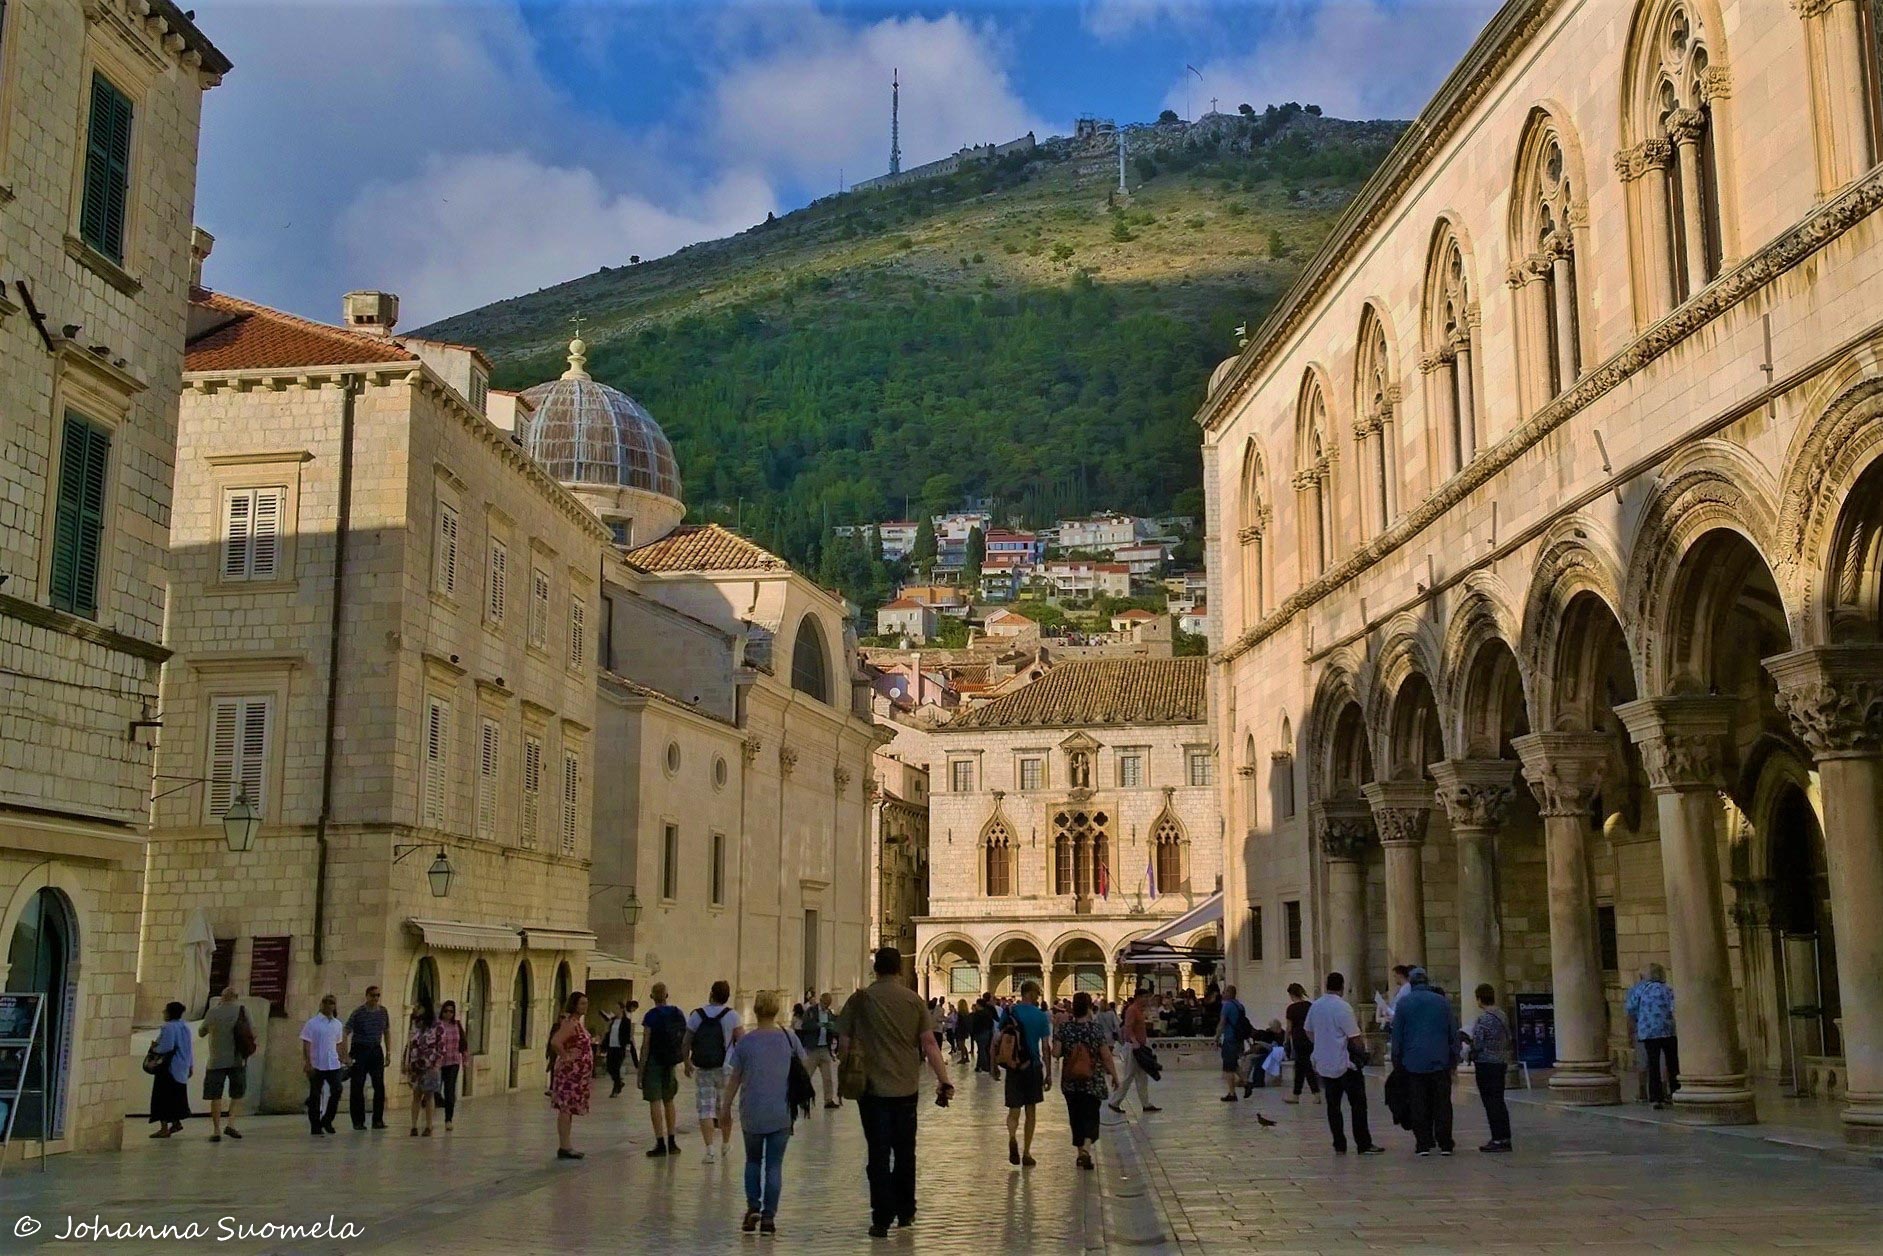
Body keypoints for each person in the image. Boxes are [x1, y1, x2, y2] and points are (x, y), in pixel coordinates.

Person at [835, 946, 954, 1239]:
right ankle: (906, 1210)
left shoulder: (860, 999)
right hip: (905, 1087)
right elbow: (929, 1043)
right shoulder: (913, 1001)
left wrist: (851, 1062)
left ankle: (881, 1217)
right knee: (905, 1151)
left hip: (872, 1089)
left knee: (877, 1153)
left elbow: (844, 1042)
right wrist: (944, 1079)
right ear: (899, 969)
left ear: (876, 969)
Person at [721, 989, 809, 1235]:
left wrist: (725, 1106)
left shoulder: (746, 1041)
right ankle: (769, 1217)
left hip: (752, 1110)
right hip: (780, 1110)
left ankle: (752, 1208)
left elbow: (734, 1079)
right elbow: (803, 1067)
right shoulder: (789, 1038)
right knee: (774, 1165)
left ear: (757, 1010)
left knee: (752, 1160)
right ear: (777, 1009)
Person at [1305, 972, 1382, 1155]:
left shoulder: (1316, 1006)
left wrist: (1322, 1044)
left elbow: (1308, 1031)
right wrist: (1362, 1054)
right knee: (1358, 1105)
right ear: (1341, 986)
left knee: (1333, 1106)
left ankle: (1339, 1143)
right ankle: (1363, 1143)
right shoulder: (1342, 1007)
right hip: (1346, 1064)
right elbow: (1354, 1036)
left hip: (1325, 1063)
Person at [1388, 966, 1459, 1156]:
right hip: (1440, 1061)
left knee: (1419, 1103)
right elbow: (1453, 1032)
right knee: (1442, 1103)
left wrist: (1397, 1061)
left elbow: (1398, 1036)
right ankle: (1445, 1143)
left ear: (1411, 983)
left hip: (1413, 1062)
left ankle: (1423, 1143)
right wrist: (1454, 1060)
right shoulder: (1442, 1002)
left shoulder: (1404, 1003)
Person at [1049, 991, 1118, 1170]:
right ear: (1088, 1008)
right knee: (1091, 1115)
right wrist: (1115, 1076)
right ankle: (1086, 1149)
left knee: (1076, 1116)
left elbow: (1055, 1053)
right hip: (1092, 1080)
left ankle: (1081, 1153)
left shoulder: (1065, 1029)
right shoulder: (1094, 1029)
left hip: (1070, 1081)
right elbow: (1106, 1055)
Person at [683, 979, 744, 1163]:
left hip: (703, 1068)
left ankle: (709, 1150)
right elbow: (742, 1043)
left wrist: (686, 1062)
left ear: (711, 993)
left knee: (705, 1109)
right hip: (726, 1068)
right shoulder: (733, 1016)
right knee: (724, 1108)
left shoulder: (697, 1015)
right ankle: (725, 1144)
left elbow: (686, 1041)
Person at [1002, 980, 1052, 1167]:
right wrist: (1048, 1074)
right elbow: (1046, 1047)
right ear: (1030, 994)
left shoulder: (1009, 1013)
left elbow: (999, 1040)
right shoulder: (1040, 1016)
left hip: (1014, 1067)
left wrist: (993, 1066)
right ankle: (1026, 1152)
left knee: (1014, 1109)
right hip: (1032, 1067)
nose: (1038, 997)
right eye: (1037, 994)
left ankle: (1012, 1136)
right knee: (1031, 1111)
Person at [638, 982, 686, 1156]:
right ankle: (672, 1141)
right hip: (671, 1061)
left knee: (655, 1101)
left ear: (652, 996)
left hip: (654, 1061)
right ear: (667, 995)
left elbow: (646, 1045)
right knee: (669, 1100)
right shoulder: (677, 1013)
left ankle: (660, 1143)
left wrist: (640, 1071)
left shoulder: (651, 1016)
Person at [197, 987, 251, 1142]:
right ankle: (231, 1123)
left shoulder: (213, 1012)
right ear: (236, 997)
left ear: (222, 997)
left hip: (216, 1060)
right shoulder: (243, 1011)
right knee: (237, 1093)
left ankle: (216, 1129)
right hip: (237, 1059)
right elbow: (252, 1032)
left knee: (215, 1095)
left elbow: (201, 1032)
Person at [1625, 963, 1680, 1109]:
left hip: (1648, 1031)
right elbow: (1674, 1007)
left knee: (1653, 1064)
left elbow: (1631, 1009)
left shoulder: (1641, 989)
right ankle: (1675, 1092)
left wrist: (1639, 1022)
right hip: (1668, 1030)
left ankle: (1655, 1098)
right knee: (1672, 1063)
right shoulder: (1667, 989)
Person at [1467, 983, 1514, 1152]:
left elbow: (1478, 1043)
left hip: (1486, 1063)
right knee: (1499, 1101)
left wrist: (1468, 1044)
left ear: (1479, 998)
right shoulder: (1501, 1015)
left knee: (1491, 1102)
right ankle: (1504, 1137)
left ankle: (1497, 1138)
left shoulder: (1484, 1018)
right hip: (1500, 1061)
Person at [550, 990, 593, 1160]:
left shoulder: (578, 1023)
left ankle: (567, 1144)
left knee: (569, 1109)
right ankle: (564, 1146)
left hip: (577, 1076)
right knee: (565, 1108)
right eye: (582, 1003)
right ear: (574, 1005)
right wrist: (566, 1056)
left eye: (586, 1003)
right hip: (569, 1075)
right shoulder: (570, 1023)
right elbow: (556, 1041)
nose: (585, 1006)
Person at [342, 984, 391, 1131]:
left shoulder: (383, 1012)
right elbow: (346, 1031)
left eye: (378, 995)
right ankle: (358, 1121)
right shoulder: (358, 1013)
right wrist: (345, 1055)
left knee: (379, 1086)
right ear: (367, 996)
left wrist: (388, 1052)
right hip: (360, 1049)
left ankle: (378, 1120)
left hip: (375, 1049)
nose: (376, 998)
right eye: (373, 995)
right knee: (357, 1086)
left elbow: (387, 1031)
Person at [1105, 985, 1159, 1115]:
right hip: (1133, 1048)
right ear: (1138, 997)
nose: (1147, 999)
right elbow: (1128, 1027)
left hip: (1139, 1047)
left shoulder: (1139, 1010)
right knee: (1129, 1076)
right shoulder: (1132, 1010)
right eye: (1145, 997)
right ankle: (1114, 1102)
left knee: (1142, 1077)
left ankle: (1146, 1104)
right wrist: (1134, 1041)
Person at [301, 993, 346, 1137]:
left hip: (332, 1063)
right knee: (315, 1095)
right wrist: (308, 1062)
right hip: (317, 1063)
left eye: (332, 1003)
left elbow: (339, 1043)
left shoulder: (337, 1024)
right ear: (322, 1004)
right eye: (327, 1002)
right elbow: (306, 1043)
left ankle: (327, 1119)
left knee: (337, 1089)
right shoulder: (312, 1023)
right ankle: (315, 1125)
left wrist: (343, 1058)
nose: (329, 1005)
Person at [147, 1000, 193, 1138]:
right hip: (182, 1066)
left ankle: (164, 1128)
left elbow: (167, 1046)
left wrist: (155, 1048)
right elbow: (189, 1048)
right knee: (176, 1097)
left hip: (169, 1068)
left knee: (163, 1098)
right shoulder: (185, 1027)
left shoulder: (168, 1027)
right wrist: (191, 1065)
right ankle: (176, 1122)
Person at [404, 997, 445, 1137]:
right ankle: (413, 1126)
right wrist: (407, 1062)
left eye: (418, 1006)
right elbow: (409, 1044)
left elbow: (441, 1047)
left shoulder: (437, 1026)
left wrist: (436, 1064)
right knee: (416, 1095)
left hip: (430, 1065)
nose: (415, 1008)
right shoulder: (415, 1025)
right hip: (416, 1065)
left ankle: (428, 1125)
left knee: (429, 1096)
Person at [799, 991, 840, 1109]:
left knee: (828, 1077)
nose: (826, 1006)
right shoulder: (811, 1011)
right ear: (821, 1000)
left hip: (824, 1048)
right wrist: (819, 1025)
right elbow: (804, 1026)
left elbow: (834, 1028)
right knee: (807, 1075)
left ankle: (828, 1100)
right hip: (812, 1048)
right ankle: (802, 1099)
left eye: (828, 1004)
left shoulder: (829, 1014)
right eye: (825, 1003)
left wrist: (832, 1028)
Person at [1283, 983, 1321, 1104]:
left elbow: (1289, 1028)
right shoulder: (1309, 1006)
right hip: (1309, 1038)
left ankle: (1316, 1093)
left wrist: (1286, 1041)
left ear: (1291, 994)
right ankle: (1296, 1094)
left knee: (1305, 1066)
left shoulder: (1291, 1009)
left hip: (1298, 1039)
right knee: (1300, 1066)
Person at [437, 999, 467, 1131]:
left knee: (449, 1090)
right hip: (438, 1062)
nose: (448, 1014)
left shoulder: (457, 1025)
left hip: (453, 1061)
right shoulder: (437, 1025)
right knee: (434, 1090)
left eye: (451, 1011)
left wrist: (465, 1058)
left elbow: (463, 1042)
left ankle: (448, 1119)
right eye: (446, 1011)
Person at [1217, 984, 1250, 1102]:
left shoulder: (1227, 1006)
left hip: (1230, 1039)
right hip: (1238, 1039)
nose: (1223, 993)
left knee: (1228, 1068)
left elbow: (1222, 1022)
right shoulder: (1240, 1006)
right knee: (1234, 1064)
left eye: (1225, 991)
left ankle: (1232, 1093)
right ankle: (1246, 1083)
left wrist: (1217, 1036)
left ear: (1230, 993)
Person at [604, 1001, 634, 1097]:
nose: (615, 1010)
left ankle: (616, 1088)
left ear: (621, 1009)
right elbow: (608, 1033)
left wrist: (627, 1046)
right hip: (611, 1047)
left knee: (616, 1068)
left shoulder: (626, 1021)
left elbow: (627, 1035)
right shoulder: (612, 1021)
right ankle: (619, 1083)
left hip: (620, 1048)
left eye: (617, 1008)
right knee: (609, 1067)